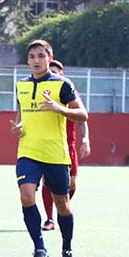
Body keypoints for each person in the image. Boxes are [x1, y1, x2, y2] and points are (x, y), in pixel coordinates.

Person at [11, 40, 88, 257]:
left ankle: (67, 248)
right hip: (28, 151)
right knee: (26, 196)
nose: (36, 60)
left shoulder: (63, 85)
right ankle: (39, 250)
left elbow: (82, 114)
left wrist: (59, 109)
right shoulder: (21, 86)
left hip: (55, 153)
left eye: (41, 56)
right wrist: (18, 127)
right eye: (32, 56)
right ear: (28, 60)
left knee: (62, 205)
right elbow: (21, 115)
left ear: (49, 57)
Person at [41, 59, 91, 231]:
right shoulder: (42, 92)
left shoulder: (69, 92)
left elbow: (83, 118)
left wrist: (86, 140)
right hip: (48, 144)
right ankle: (49, 218)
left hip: (68, 145)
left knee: (72, 184)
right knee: (47, 182)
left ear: (62, 75)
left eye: (56, 72)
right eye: (51, 72)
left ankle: (62, 208)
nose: (53, 75)